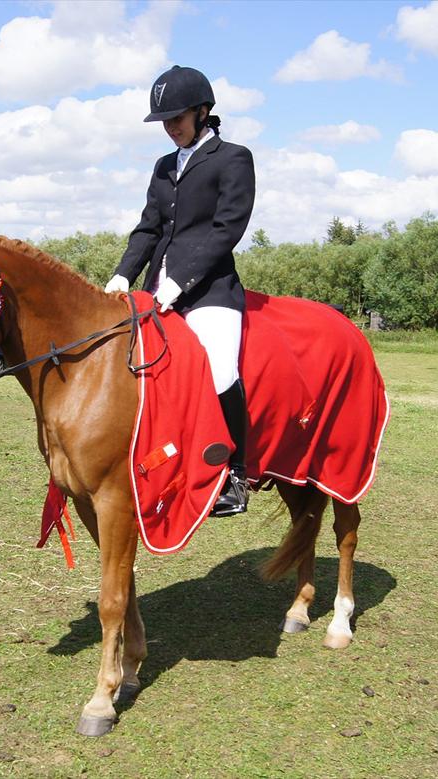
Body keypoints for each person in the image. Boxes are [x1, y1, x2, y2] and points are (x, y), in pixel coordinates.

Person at [105, 65, 256, 517]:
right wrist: (122, 274)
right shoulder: (164, 166)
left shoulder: (233, 158)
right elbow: (149, 228)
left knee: (219, 367)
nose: (171, 128)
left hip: (210, 290)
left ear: (203, 111)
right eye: (165, 121)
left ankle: (236, 473)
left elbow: (227, 229)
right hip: (157, 289)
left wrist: (181, 280)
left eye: (177, 118)